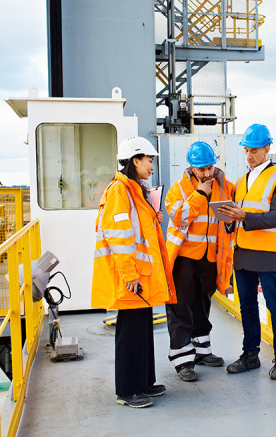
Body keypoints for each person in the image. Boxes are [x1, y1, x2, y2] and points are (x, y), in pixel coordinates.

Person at [91, 136, 176, 408]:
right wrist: (129, 277)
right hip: (132, 277)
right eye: (149, 160)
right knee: (130, 331)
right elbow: (119, 237)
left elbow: (137, 230)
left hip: (142, 275)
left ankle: (144, 383)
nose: (152, 166)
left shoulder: (134, 189)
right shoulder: (119, 191)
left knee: (142, 329)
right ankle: (127, 391)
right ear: (135, 160)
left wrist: (153, 217)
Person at [217, 123, 276, 380]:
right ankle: (250, 355)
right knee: (247, 306)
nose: (249, 156)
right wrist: (230, 218)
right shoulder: (242, 180)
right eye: (246, 151)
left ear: (267, 148)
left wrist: (245, 216)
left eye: (254, 151)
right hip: (243, 251)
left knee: (275, 305)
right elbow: (240, 215)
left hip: (267, 253)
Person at [164, 141, 235, 382]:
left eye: (210, 168)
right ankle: (183, 361)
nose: (207, 174)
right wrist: (199, 195)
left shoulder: (224, 186)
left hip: (210, 257)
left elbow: (239, 204)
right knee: (180, 306)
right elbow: (177, 217)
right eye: (201, 169)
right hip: (184, 257)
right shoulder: (180, 188)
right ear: (191, 167)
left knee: (202, 304)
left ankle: (202, 351)